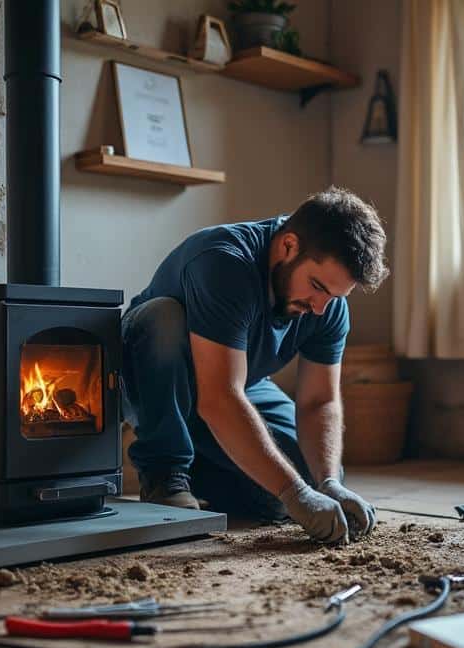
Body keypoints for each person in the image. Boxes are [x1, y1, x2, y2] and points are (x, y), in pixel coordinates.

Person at [121, 187, 388, 545]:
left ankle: (203, 465)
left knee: (308, 476)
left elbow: (318, 402)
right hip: (153, 377)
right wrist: (293, 493)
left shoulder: (326, 305)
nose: (321, 307)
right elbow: (218, 397)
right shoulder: (224, 262)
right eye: (317, 287)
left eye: (335, 296)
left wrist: (326, 483)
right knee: (162, 318)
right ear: (288, 246)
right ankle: (165, 472)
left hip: (236, 382)